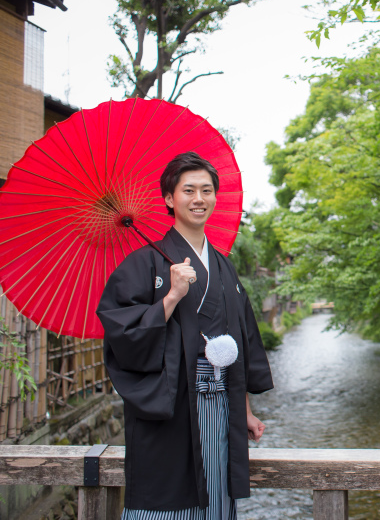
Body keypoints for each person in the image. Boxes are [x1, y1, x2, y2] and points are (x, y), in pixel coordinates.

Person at [98, 151, 273, 519]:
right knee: (170, 499)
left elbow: (239, 337)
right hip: (173, 401)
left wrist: (244, 411)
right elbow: (123, 334)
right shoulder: (143, 263)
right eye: (188, 190)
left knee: (216, 493)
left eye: (206, 190)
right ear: (169, 198)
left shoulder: (223, 265)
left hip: (222, 402)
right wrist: (172, 296)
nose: (199, 199)